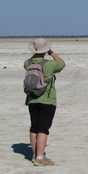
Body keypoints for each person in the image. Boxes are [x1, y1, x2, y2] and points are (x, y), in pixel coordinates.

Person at [25, 38, 66, 166]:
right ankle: (40, 157)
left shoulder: (27, 63)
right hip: (47, 99)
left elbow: (32, 61)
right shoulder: (50, 64)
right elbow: (62, 63)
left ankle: (34, 154)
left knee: (34, 128)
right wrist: (51, 53)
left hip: (32, 98)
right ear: (46, 49)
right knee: (43, 129)